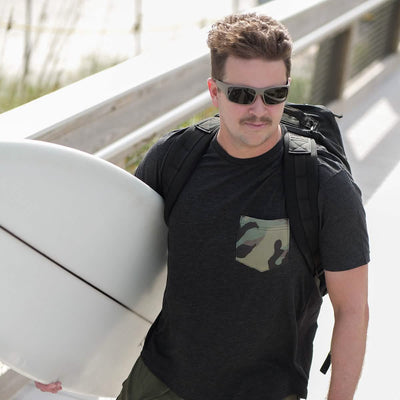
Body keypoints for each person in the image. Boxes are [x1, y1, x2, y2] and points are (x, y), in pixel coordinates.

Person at [37, 12, 369, 400]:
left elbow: (353, 312)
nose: (259, 109)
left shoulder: (322, 185)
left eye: (274, 94)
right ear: (214, 91)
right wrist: (62, 352)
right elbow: (115, 265)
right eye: (242, 94)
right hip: (160, 382)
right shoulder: (174, 157)